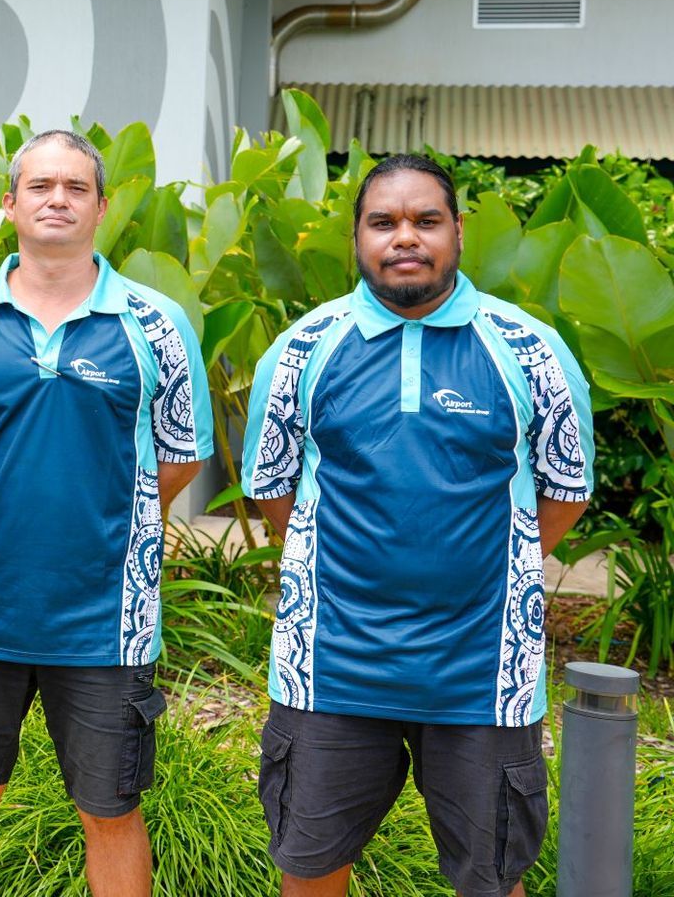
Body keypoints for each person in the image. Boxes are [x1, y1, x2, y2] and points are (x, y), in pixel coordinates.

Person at [243, 154, 592, 897]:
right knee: (308, 870)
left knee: (492, 879)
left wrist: (492, 572)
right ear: (357, 237)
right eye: (384, 222)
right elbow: (275, 493)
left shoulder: (529, 351)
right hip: (330, 668)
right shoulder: (303, 350)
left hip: (482, 673)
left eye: (426, 220)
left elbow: (563, 494)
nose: (406, 237)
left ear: (458, 231)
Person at [0, 129, 212, 897]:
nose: (58, 199)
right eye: (41, 186)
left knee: (110, 809)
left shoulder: (155, 327)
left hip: (104, 621)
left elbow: (177, 458)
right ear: (10, 204)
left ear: (102, 207)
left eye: (76, 188)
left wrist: (102, 514)